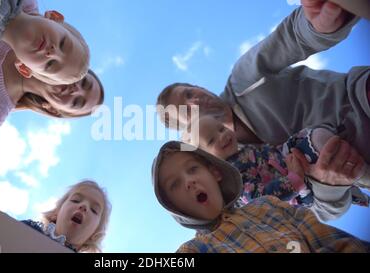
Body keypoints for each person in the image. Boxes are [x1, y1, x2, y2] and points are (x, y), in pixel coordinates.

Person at [156, 0, 370, 161]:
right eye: (186, 110)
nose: (195, 102)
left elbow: (291, 39)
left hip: (361, 100)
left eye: (189, 93)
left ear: (199, 87)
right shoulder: (242, 166)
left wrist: (317, 26)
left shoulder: (243, 78)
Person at [151, 141, 370, 253]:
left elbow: (331, 241)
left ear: (215, 173)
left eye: (192, 169)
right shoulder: (192, 251)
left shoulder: (269, 205)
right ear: (173, 207)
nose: (189, 181)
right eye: (175, 184)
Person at [182, 113, 369, 217]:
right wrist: (294, 178)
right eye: (212, 139)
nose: (223, 135)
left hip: (287, 157)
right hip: (297, 188)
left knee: (315, 136)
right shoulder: (232, 178)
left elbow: (268, 154)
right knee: (324, 150)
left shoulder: (242, 150)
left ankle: (342, 137)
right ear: (208, 160)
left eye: (221, 129)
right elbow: (259, 198)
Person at [0, 180, 111, 253]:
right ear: (57, 213)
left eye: (94, 210)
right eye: (76, 200)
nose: (83, 206)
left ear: (93, 235)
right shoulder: (25, 229)